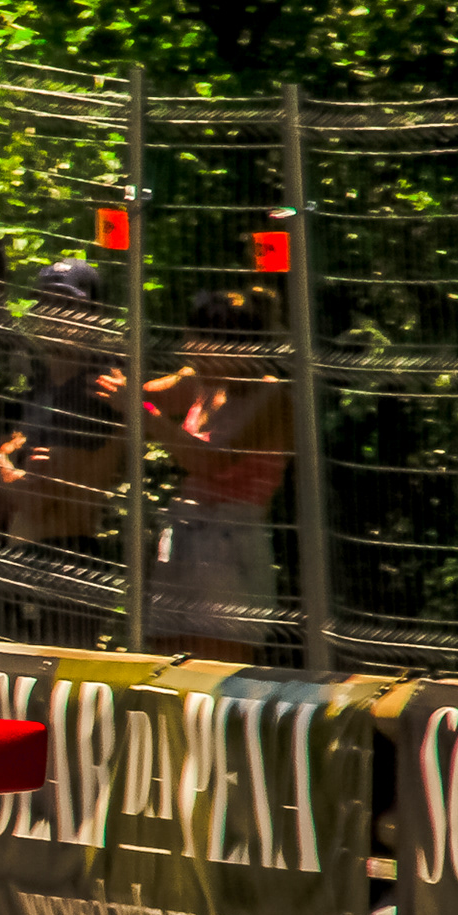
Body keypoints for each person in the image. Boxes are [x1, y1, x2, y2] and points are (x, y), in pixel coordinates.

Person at [0, 258, 130, 644]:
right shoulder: (41, 391)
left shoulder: (95, 392)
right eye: (44, 303)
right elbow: (16, 491)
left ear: (94, 317)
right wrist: (12, 475)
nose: (53, 315)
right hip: (24, 559)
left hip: (66, 565)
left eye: (66, 305)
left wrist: (1, 468)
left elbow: (39, 501)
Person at [141, 282, 293, 661]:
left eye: (201, 346)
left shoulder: (272, 396)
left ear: (238, 348)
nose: (190, 355)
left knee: (217, 670)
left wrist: (146, 416)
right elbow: (140, 394)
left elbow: (212, 461)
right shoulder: (202, 383)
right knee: (166, 664)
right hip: (182, 533)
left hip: (232, 544)